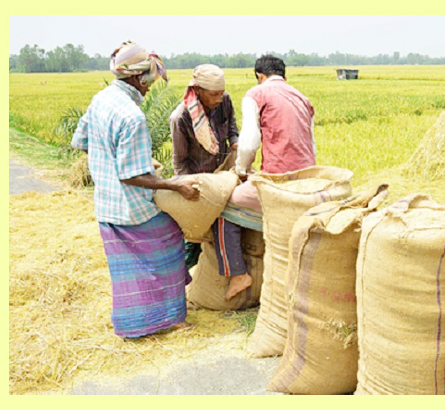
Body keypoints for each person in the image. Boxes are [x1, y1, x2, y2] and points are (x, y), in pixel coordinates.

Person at [71, 40, 201, 338]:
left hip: (107, 204)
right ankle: (172, 319)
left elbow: (82, 141)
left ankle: (135, 323)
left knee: (126, 268)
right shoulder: (132, 116)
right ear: (135, 77)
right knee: (170, 241)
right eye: (148, 81)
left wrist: (115, 158)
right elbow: (131, 176)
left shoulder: (101, 99)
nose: (149, 87)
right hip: (132, 208)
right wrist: (175, 184)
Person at [219, 55, 316, 301]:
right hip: (308, 181)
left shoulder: (256, 94)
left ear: (259, 76)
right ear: (284, 76)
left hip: (278, 182)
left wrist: (241, 170)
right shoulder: (303, 98)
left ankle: (238, 274)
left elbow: (249, 142)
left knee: (223, 206)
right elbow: (311, 146)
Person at [169, 64, 239, 270]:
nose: (218, 99)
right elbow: (179, 162)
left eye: (221, 94)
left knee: (226, 227)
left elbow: (233, 126)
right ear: (198, 91)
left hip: (223, 175)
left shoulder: (224, 101)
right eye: (213, 95)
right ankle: (183, 277)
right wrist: (189, 187)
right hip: (199, 181)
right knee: (196, 236)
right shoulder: (180, 118)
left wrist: (235, 141)